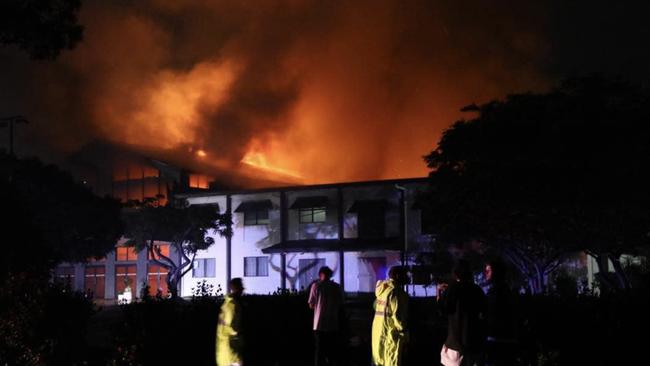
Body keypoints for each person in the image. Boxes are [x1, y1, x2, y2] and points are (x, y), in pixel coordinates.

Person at [438, 259, 486, 366]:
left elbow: (442, 310)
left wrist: (440, 294)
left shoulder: (452, 289)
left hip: (455, 344)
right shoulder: (477, 290)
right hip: (474, 344)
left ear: (455, 274)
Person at [371, 266, 409, 366]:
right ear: (397, 276)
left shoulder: (382, 290)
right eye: (405, 275)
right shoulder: (398, 293)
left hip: (378, 334)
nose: (407, 277)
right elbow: (399, 321)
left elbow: (375, 306)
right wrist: (405, 335)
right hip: (391, 336)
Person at [484, 260, 518, 366]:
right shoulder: (504, 290)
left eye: (489, 271)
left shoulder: (497, 291)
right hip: (504, 340)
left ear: (497, 272)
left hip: (498, 340)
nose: (486, 273)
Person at [308, 266, 344, 366]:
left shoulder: (316, 286)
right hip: (333, 324)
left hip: (319, 324)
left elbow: (311, 304)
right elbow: (341, 303)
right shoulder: (336, 287)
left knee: (319, 350)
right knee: (332, 350)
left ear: (320, 275)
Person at [216, 278, 245, 366]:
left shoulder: (229, 304)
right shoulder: (232, 305)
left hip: (227, 351)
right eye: (241, 287)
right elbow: (230, 328)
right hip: (230, 353)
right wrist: (238, 332)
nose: (243, 289)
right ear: (236, 288)